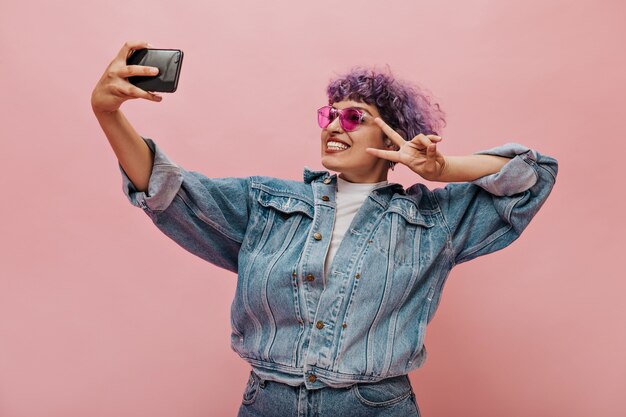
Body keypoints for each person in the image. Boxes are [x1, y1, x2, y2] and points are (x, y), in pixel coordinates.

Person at [91, 41, 558, 417]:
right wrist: (108, 113)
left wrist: (442, 170)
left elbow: (531, 174)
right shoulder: (267, 205)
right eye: (330, 114)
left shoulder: (435, 221)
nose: (334, 124)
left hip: (374, 407)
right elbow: (168, 190)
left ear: (391, 134)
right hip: (267, 404)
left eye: (354, 116)